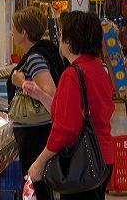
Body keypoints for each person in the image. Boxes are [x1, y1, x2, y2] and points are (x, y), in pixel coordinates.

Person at [25, 11, 114, 200]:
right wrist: (40, 95)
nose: (59, 38)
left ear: (70, 41)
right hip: (102, 157)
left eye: (62, 33)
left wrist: (39, 162)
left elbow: (66, 129)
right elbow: (75, 113)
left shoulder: (72, 75)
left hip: (81, 162)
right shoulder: (98, 68)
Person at [7, 7, 66, 200]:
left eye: (14, 28)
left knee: (37, 185)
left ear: (24, 32)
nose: (11, 32)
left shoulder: (34, 58)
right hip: (37, 131)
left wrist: (21, 82)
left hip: (36, 133)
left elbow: (50, 94)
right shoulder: (43, 52)